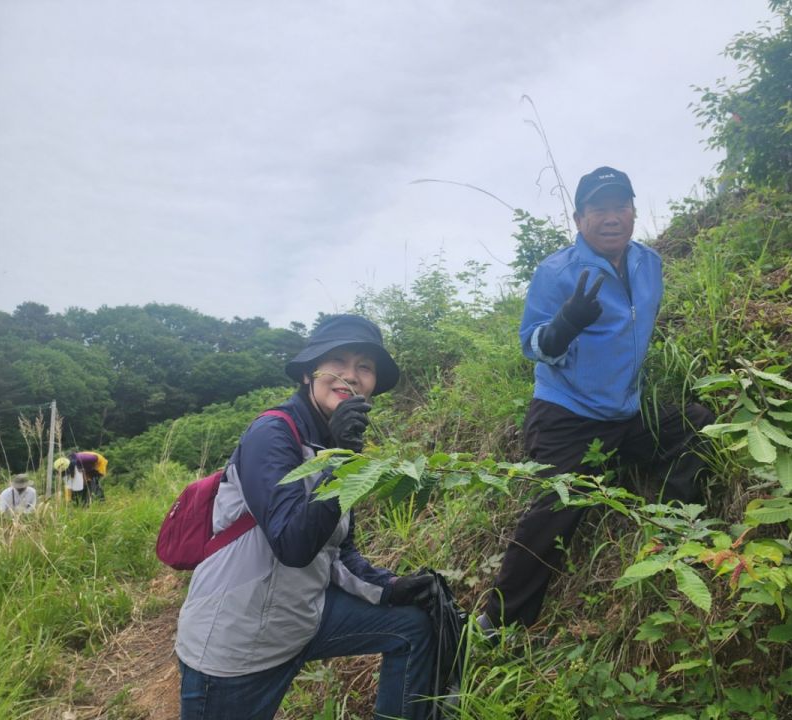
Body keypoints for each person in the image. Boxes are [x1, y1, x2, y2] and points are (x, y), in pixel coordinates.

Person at [478, 166, 715, 631]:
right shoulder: (556, 272)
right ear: (579, 218)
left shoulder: (648, 263)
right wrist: (564, 325)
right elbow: (531, 344)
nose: (611, 218)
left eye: (620, 206)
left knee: (696, 423)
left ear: (633, 211)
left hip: (626, 411)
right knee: (559, 505)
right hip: (566, 414)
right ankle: (498, 620)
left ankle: (673, 529)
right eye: (599, 209)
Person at [175, 314, 438, 720]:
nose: (351, 375)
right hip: (236, 647)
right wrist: (340, 463)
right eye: (337, 361)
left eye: (364, 366)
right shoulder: (272, 434)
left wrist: (390, 588)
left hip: (299, 621)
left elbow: (336, 551)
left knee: (413, 626)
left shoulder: (334, 445)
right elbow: (293, 544)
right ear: (307, 374)